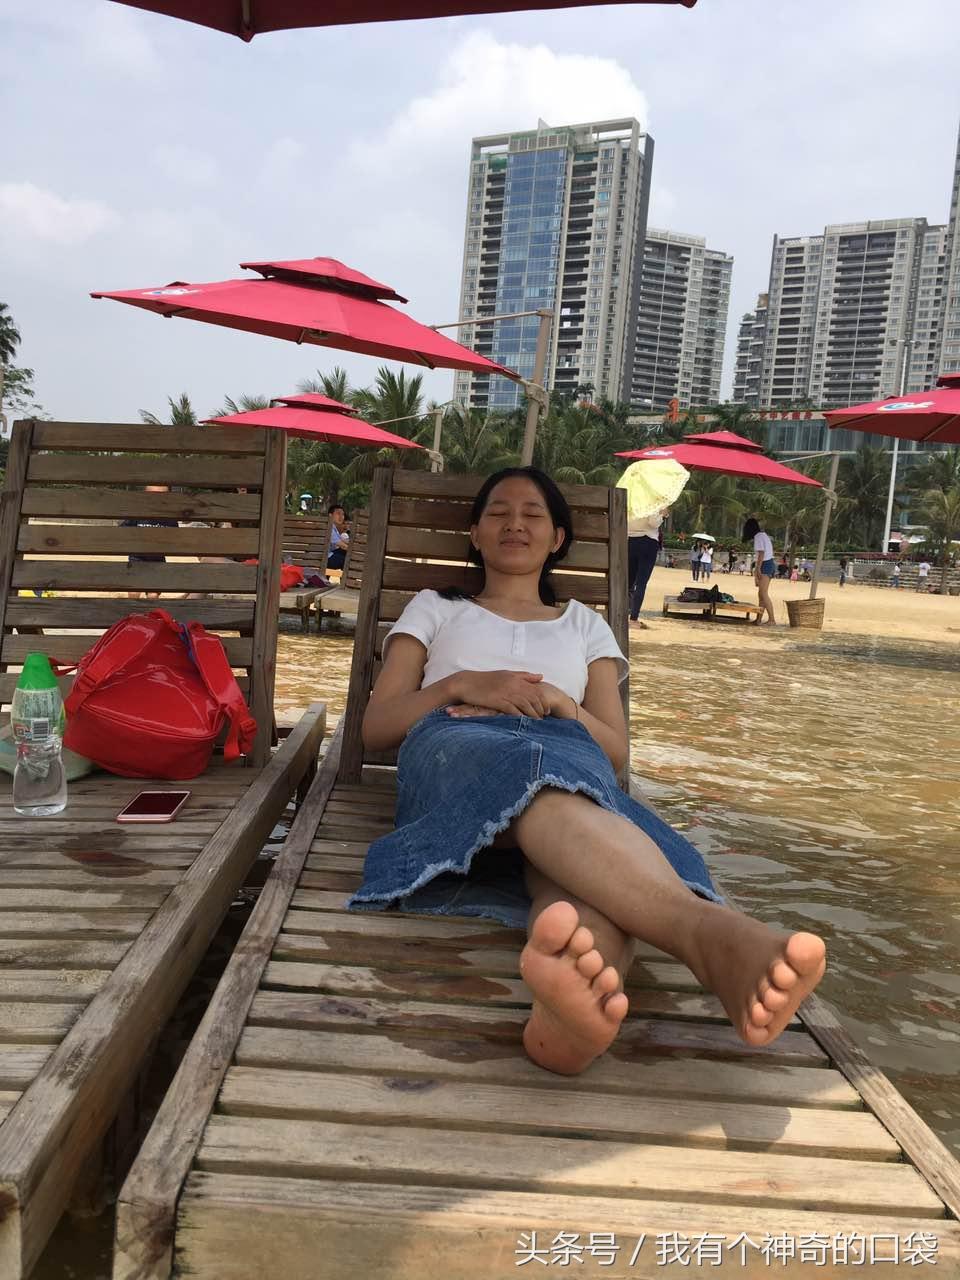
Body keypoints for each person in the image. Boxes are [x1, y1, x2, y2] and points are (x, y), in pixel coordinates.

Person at [350, 468, 826, 1075]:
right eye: (498, 512)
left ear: (557, 539)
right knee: (543, 780)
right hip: (455, 746)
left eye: (533, 514)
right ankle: (704, 936)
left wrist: (561, 704)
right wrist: (464, 684)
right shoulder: (435, 608)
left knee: (570, 862)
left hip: (567, 755)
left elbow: (614, 750)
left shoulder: (585, 624)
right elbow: (377, 726)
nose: (515, 523)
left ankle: (567, 1019)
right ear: (474, 533)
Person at [120, 485, 178, 600]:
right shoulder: (137, 514)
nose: (156, 500)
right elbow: (123, 531)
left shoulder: (169, 518)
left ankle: (150, 611)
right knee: (134, 592)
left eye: (162, 497)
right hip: (137, 557)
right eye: (151, 496)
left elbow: (175, 537)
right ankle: (134, 610)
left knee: (153, 595)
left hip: (157, 559)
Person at [626, 508, 663, 631]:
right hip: (648, 541)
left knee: (628, 582)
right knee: (641, 583)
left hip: (631, 541)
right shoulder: (651, 503)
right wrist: (662, 514)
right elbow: (653, 522)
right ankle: (633, 618)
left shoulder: (632, 503)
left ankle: (621, 613)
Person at [743, 517, 776, 625]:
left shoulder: (758, 537)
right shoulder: (763, 535)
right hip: (768, 563)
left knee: (763, 593)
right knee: (761, 594)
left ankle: (772, 619)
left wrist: (757, 568)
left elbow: (761, 554)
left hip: (765, 564)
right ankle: (759, 619)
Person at [327, 503, 350, 571]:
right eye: (338, 513)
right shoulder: (329, 528)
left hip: (326, 557)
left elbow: (343, 541)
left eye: (342, 514)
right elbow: (343, 546)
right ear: (330, 515)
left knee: (345, 554)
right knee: (348, 559)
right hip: (325, 559)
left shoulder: (333, 528)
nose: (341, 516)